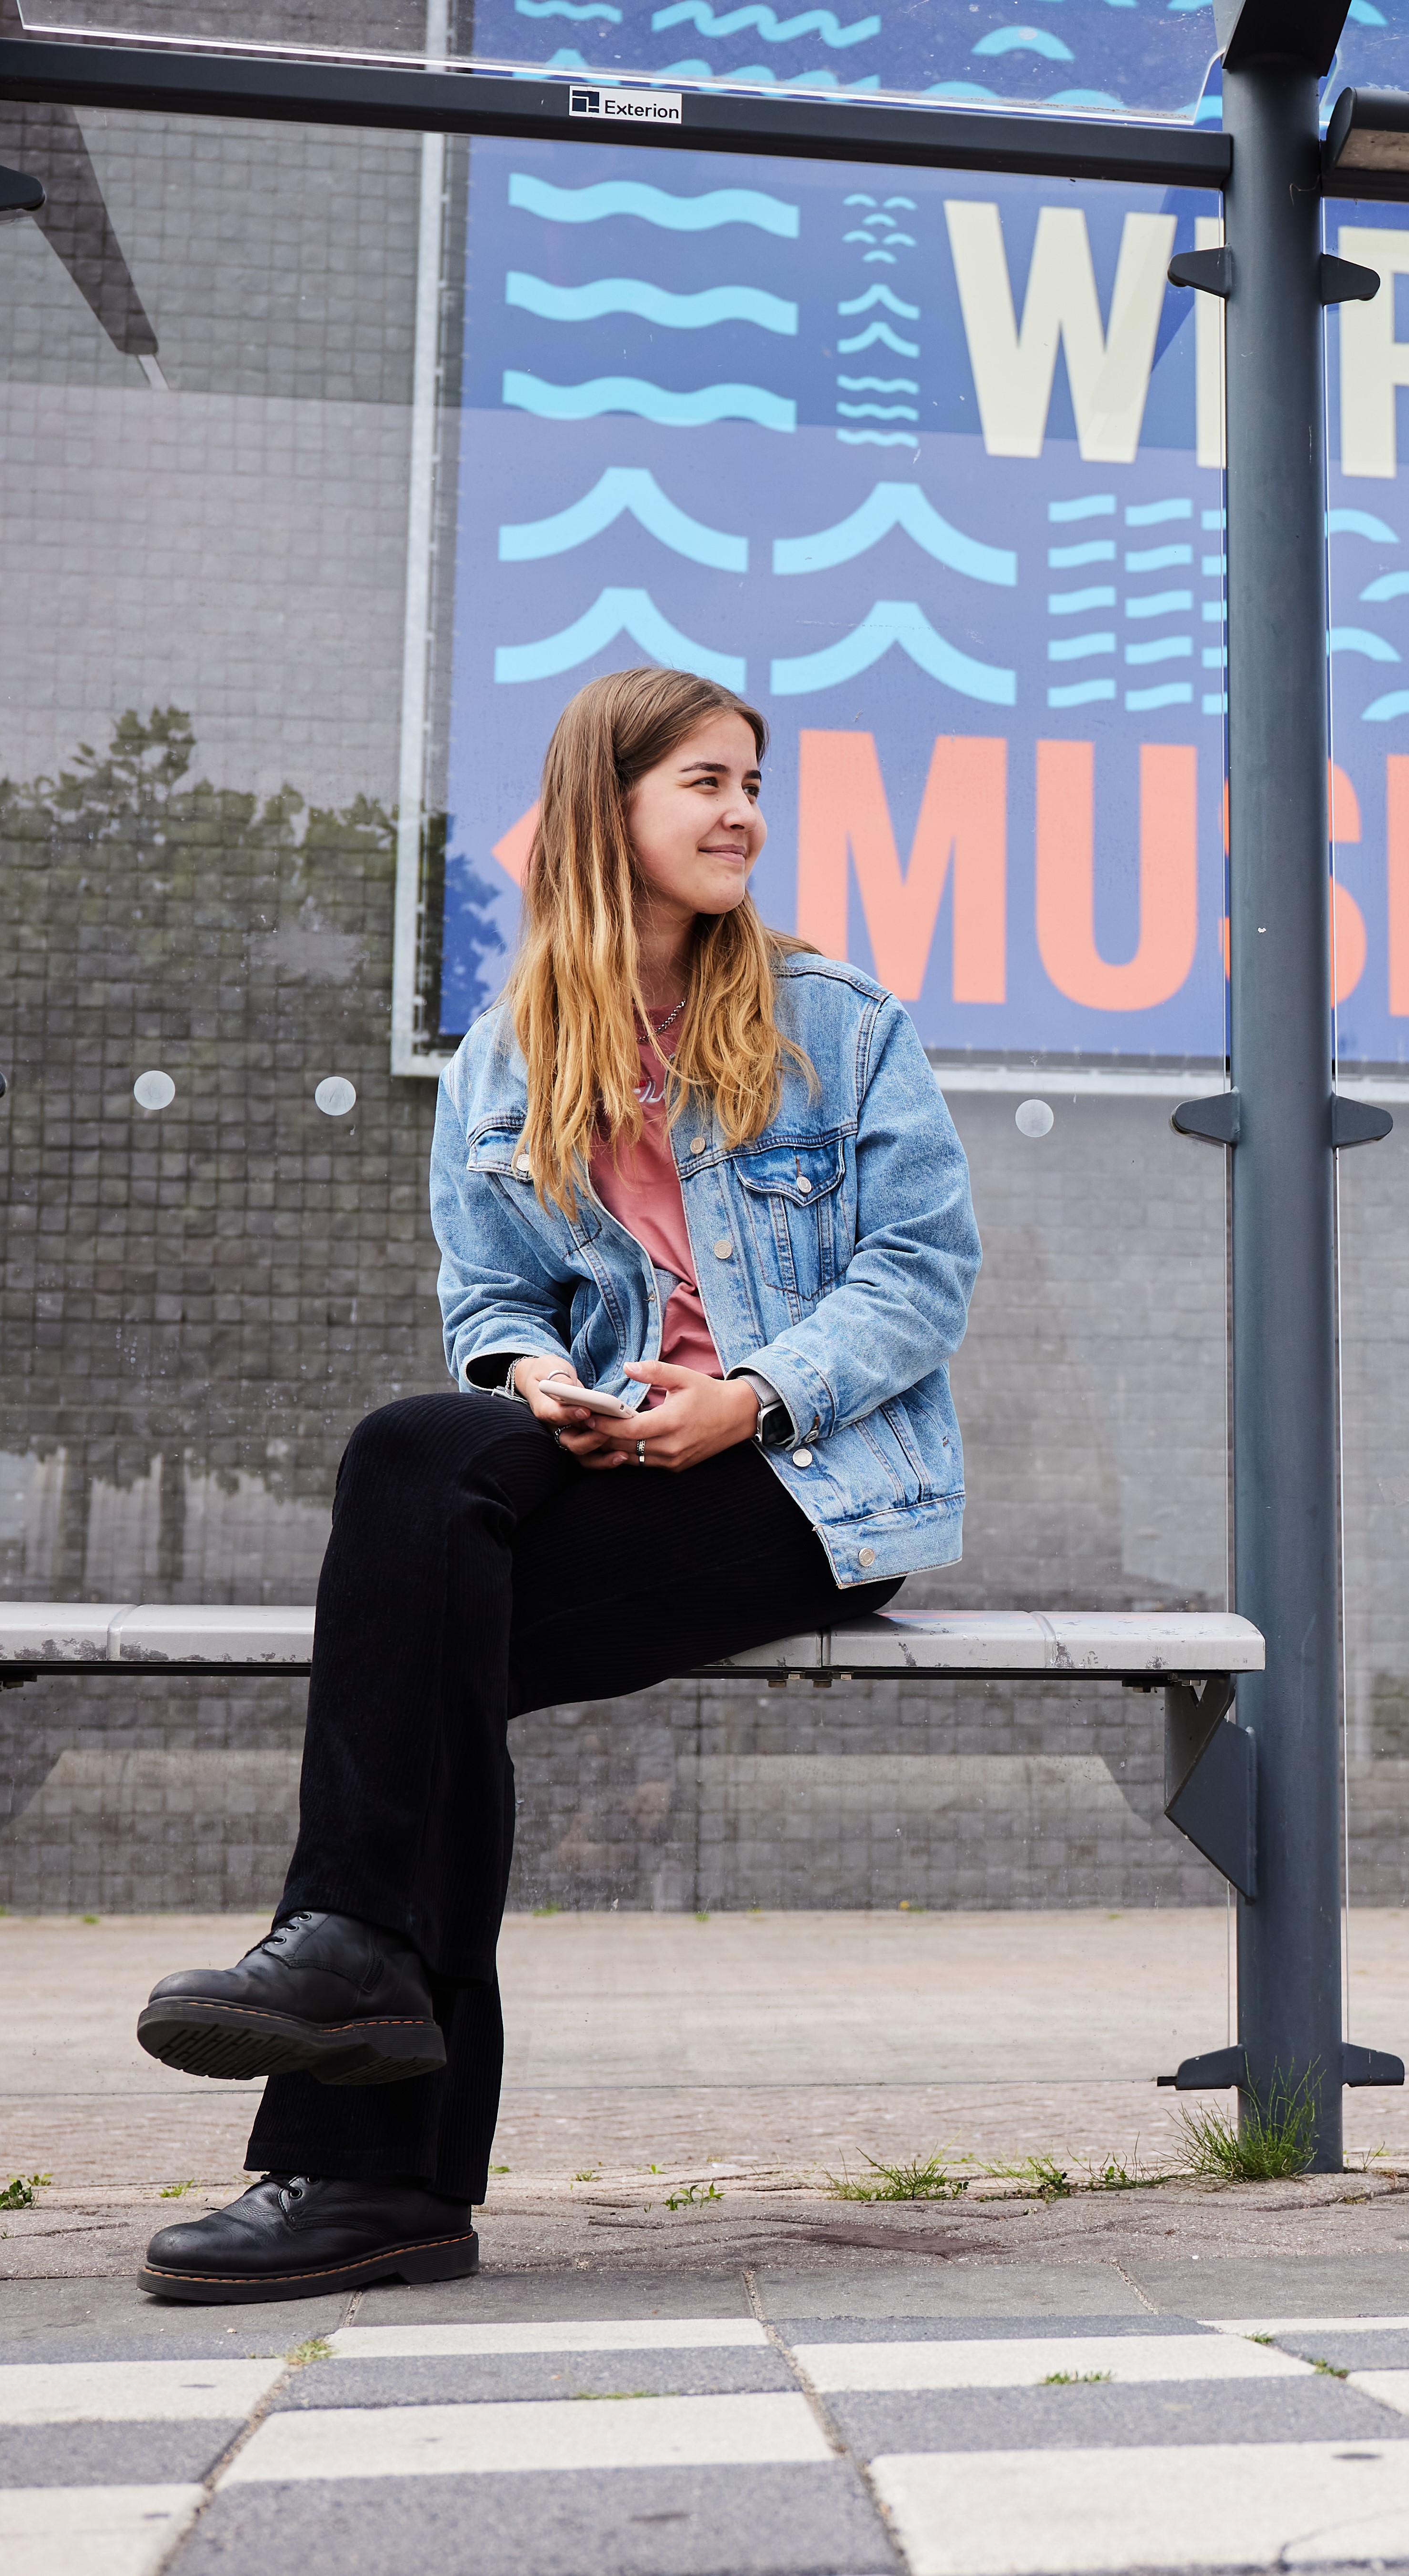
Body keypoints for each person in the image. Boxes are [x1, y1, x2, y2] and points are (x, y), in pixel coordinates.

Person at [127, 668, 979, 2303]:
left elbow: (921, 1278)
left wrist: (744, 1396)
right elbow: (492, 1306)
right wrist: (541, 1383)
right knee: (409, 1448)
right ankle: (363, 1999)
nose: (742, 814)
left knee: (417, 1638)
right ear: (612, 811)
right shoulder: (512, 1057)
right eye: (704, 785)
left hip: (806, 1485)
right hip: (603, 1462)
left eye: (751, 786)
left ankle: (368, 2146)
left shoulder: (841, 1026)